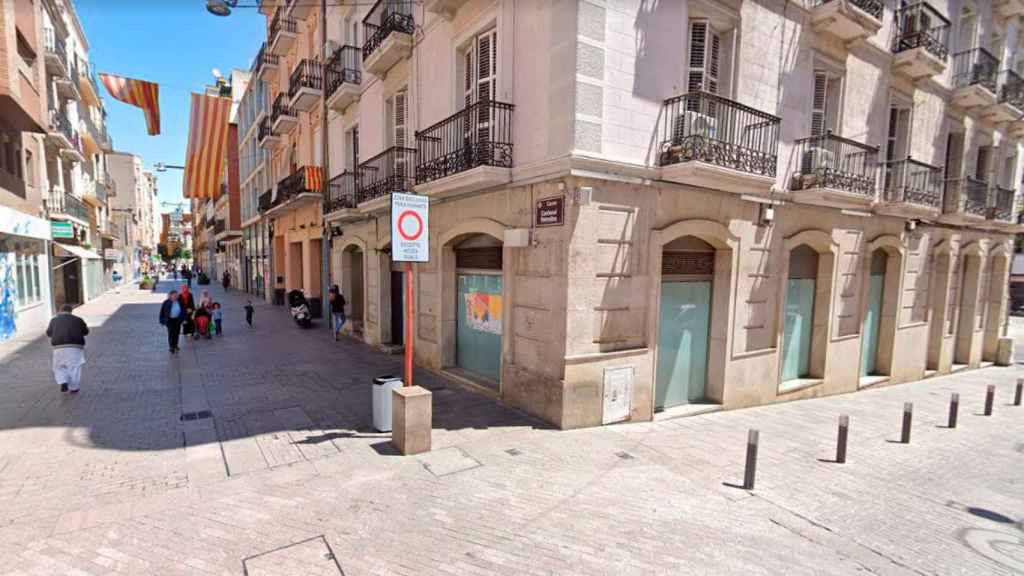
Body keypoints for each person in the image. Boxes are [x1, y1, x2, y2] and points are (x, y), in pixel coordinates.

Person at [46, 304, 89, 394]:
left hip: (58, 347)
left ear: (60, 310)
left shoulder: (54, 320)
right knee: (74, 367)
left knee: (59, 366)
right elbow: (86, 332)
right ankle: (74, 388)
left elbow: (49, 333)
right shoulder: (78, 320)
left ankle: (62, 381)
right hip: (75, 347)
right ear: (71, 310)